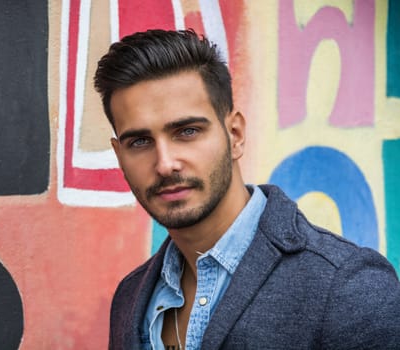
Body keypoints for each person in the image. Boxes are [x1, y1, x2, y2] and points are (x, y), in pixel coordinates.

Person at [94, 29, 400, 350]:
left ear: (235, 134)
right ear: (119, 155)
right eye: (140, 141)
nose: (165, 163)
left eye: (187, 131)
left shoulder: (346, 285)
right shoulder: (130, 298)